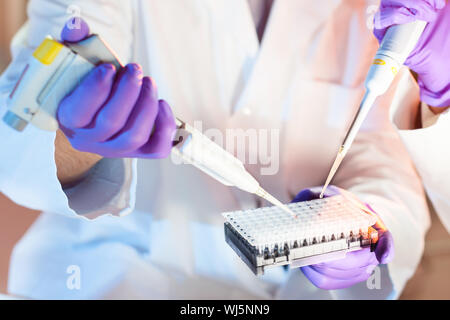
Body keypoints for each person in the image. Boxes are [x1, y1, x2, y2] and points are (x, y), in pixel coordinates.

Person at [0, 0, 448, 299]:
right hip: (107, 282)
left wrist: (363, 224)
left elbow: (385, 166)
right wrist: (75, 134)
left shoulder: (382, 10)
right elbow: (19, 136)